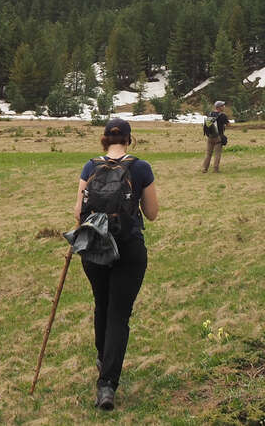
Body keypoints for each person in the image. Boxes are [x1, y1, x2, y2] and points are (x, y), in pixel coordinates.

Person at [74, 118, 159, 411]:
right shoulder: (141, 168)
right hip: (129, 249)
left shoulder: (90, 166)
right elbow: (152, 214)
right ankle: (107, 384)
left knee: (102, 304)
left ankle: (103, 359)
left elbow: (77, 212)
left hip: (95, 247)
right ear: (129, 139)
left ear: (104, 139)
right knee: (119, 315)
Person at [202, 100, 229, 173]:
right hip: (218, 137)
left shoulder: (210, 114)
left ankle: (204, 168)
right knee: (217, 154)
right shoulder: (223, 115)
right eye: (222, 105)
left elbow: (207, 125)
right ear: (219, 107)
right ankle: (215, 169)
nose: (224, 106)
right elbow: (228, 125)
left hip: (210, 137)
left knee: (208, 154)